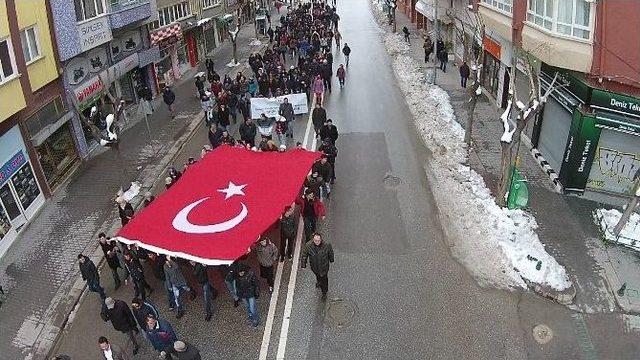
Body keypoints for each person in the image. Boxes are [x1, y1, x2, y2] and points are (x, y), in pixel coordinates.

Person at [301, 233, 334, 301]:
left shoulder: (327, 245)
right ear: (313, 239)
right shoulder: (308, 245)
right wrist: (303, 265)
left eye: (318, 240)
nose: (317, 242)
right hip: (315, 267)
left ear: (321, 239)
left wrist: (331, 259)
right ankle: (319, 282)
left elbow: (330, 253)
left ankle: (324, 292)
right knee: (318, 276)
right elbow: (304, 255)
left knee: (324, 280)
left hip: (324, 267)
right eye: (315, 240)